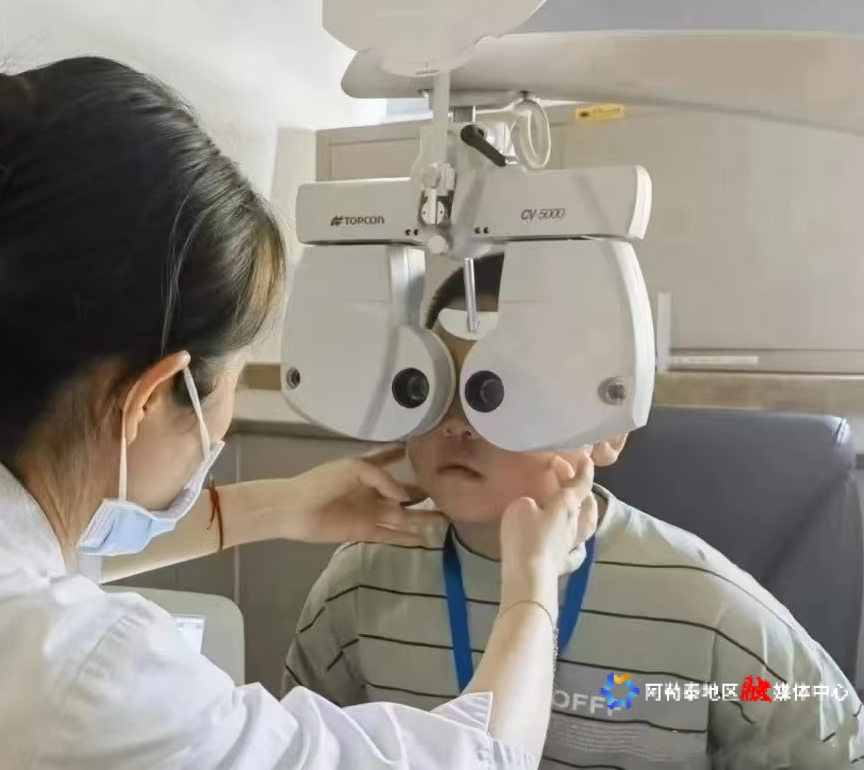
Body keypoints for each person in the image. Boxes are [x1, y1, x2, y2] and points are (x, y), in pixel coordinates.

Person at [0, 57, 597, 770]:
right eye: (227, 382)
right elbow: (476, 758)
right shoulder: (91, 679)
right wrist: (533, 586)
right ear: (153, 394)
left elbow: (1, 568)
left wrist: (277, 506)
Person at [283, 253, 864, 770]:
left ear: (608, 430)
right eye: (435, 388)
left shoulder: (706, 611)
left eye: (502, 393)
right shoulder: (360, 584)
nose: (458, 423)